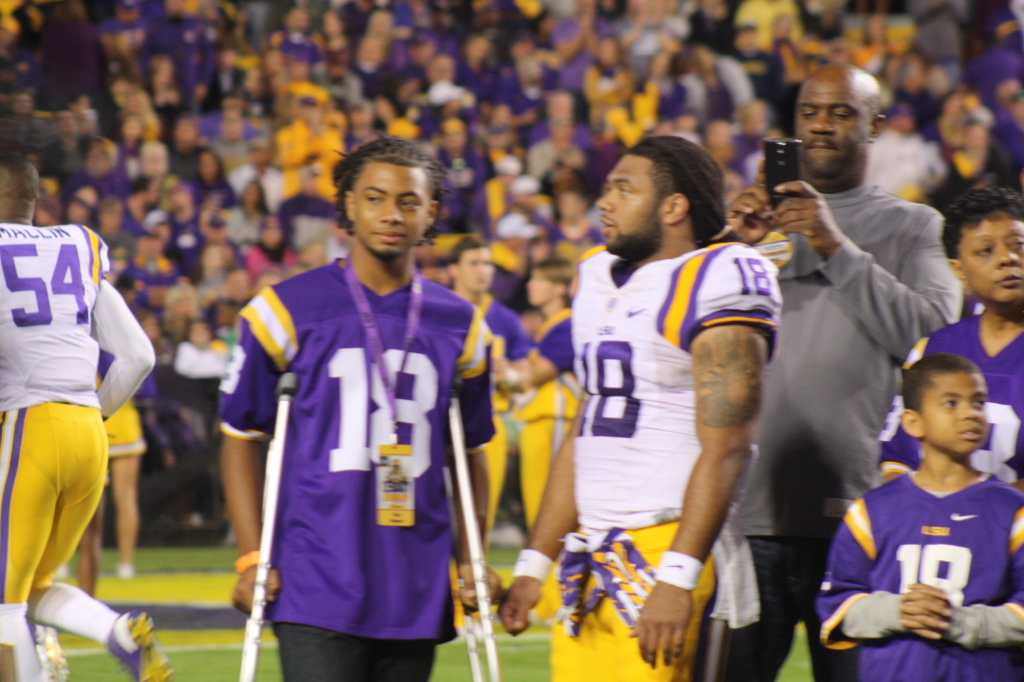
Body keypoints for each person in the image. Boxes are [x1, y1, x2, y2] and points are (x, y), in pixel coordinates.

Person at [499, 136, 781, 681]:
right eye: (607, 189)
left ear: (674, 206)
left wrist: (676, 576)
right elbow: (588, 429)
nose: (604, 203)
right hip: (592, 552)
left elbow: (729, 445)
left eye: (623, 190)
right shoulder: (595, 276)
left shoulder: (722, 275)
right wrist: (537, 563)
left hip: (668, 544)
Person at [220, 138, 500, 682]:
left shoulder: (461, 325)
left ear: (431, 214)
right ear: (348, 204)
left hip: (416, 579)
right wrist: (253, 556)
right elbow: (239, 434)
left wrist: (472, 558)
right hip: (313, 576)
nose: (392, 214)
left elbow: (471, 452)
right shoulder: (285, 310)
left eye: (409, 202)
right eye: (374, 198)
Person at [725, 63, 962, 682]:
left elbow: (933, 342)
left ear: (876, 125)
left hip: (861, 518)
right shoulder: (756, 231)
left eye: (841, 112)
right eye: (810, 113)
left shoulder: (914, 226)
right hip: (751, 512)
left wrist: (836, 248)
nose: (822, 125)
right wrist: (729, 245)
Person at [0, 153, 166, 681]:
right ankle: (117, 633)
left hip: (29, 429)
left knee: (5, 605)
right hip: (90, 434)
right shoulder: (79, 245)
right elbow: (139, 355)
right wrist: (92, 413)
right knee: (35, 584)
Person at [818, 353, 1024, 681]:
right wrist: (900, 611)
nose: (970, 413)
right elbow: (838, 608)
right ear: (913, 421)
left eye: (978, 402)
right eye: (950, 403)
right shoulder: (872, 510)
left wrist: (957, 621)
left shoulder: (1013, 511)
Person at [880, 187, 1024, 486]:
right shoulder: (934, 349)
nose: (1007, 258)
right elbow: (898, 461)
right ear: (958, 269)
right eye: (986, 250)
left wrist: (993, 511)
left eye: (1018, 245)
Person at [447, 236, 532, 530]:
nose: (483, 270)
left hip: (488, 423)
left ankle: (471, 575)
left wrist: (504, 374)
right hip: (440, 421)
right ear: (454, 269)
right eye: (474, 263)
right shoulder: (438, 309)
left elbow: (524, 379)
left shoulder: (506, 319)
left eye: (487, 264)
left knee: (479, 517)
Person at [512, 257, 578, 531]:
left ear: (560, 288)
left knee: (546, 506)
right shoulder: (550, 326)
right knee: (538, 505)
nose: (530, 285)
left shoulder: (565, 325)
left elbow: (533, 376)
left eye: (539, 280)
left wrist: (502, 373)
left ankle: (551, 573)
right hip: (544, 419)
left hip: (556, 418)